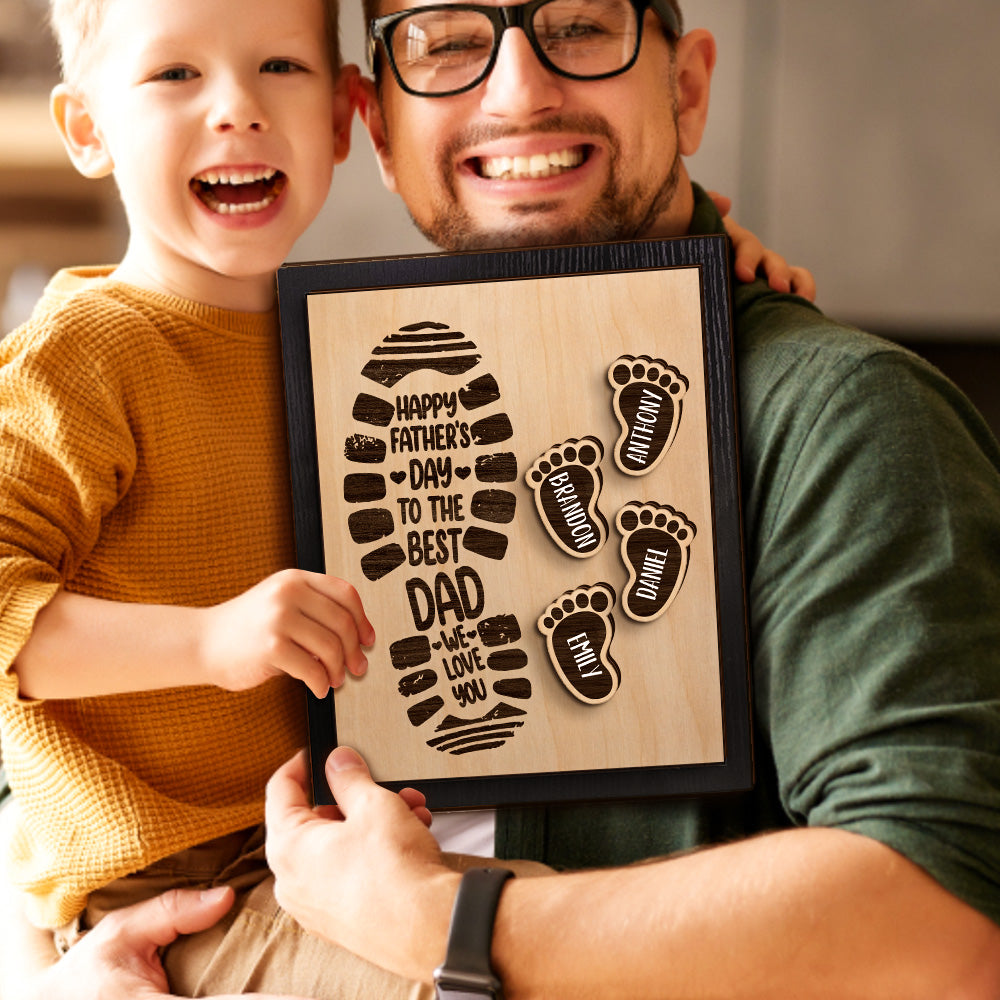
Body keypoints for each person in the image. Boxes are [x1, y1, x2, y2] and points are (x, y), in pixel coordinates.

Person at [0, 1, 806, 998]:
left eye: (280, 68)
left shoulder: (354, 334)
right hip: (182, 892)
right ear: (86, 127)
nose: (237, 111)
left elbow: (593, 276)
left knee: (610, 935)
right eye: (175, 76)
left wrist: (709, 261)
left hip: (320, 848)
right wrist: (211, 641)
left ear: (346, 117)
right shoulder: (79, 356)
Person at [257, 0, 1000, 996]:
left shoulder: (843, 414)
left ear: (684, 91)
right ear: (381, 130)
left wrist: (445, 921)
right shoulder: (313, 400)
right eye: (447, 42)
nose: (517, 89)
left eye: (577, 27)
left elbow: (945, 923)